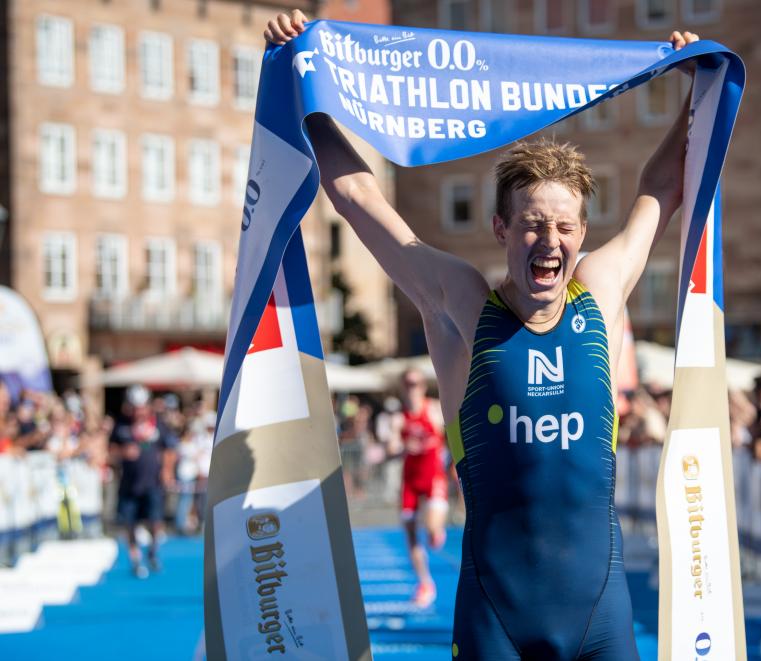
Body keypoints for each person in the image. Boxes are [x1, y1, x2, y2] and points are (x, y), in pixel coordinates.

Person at [267, 11, 697, 658]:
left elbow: (663, 188)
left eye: (563, 227)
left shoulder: (601, 293)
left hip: (599, 621)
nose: (548, 241)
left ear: (581, 233)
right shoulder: (462, 303)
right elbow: (358, 196)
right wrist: (305, 82)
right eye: (530, 223)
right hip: (496, 619)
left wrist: (697, 93)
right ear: (501, 228)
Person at [109, 385, 177, 578]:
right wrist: (123, 453)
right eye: (134, 407)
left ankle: (153, 551)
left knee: (155, 521)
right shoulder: (121, 425)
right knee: (129, 523)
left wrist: (167, 470)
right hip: (129, 483)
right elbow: (110, 450)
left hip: (152, 482)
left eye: (141, 407)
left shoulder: (158, 424)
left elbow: (170, 448)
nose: (138, 411)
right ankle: (135, 559)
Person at [394, 368, 448, 607]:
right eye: (407, 383)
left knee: (432, 528)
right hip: (410, 482)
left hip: (433, 477)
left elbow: (453, 434)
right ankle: (425, 582)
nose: (411, 388)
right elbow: (391, 447)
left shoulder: (434, 409)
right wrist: (404, 446)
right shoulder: (398, 417)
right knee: (410, 532)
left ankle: (437, 529)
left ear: (423, 386)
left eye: (415, 383)